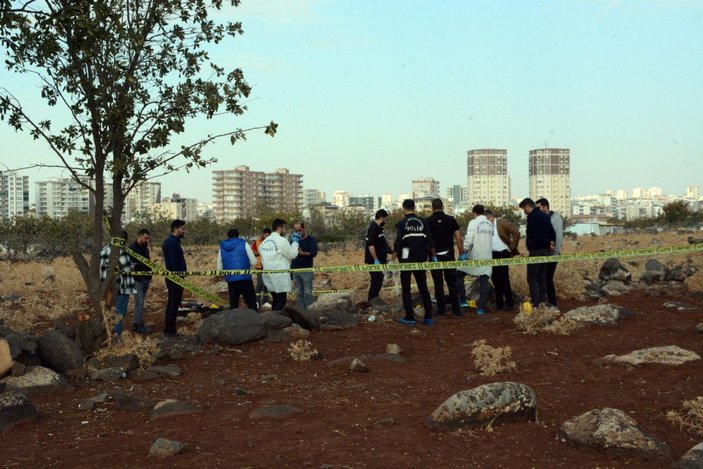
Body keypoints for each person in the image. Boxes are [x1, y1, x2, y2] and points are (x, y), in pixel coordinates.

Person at [393, 199, 435, 326]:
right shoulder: (423, 222)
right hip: (421, 258)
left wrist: (392, 258)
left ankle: (409, 317)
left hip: (406, 260)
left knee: (406, 288)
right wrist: (433, 256)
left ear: (404, 209)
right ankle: (428, 317)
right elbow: (430, 239)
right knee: (423, 287)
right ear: (414, 208)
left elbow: (398, 242)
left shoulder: (401, 223)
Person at [426, 199, 463, 317]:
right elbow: (458, 238)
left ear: (432, 208)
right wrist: (461, 253)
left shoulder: (427, 221)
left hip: (434, 257)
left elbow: (426, 240)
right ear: (442, 207)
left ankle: (441, 310)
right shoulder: (451, 219)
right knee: (452, 283)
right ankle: (456, 310)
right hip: (449, 256)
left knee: (438, 284)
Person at [519, 198, 556, 307]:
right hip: (546, 251)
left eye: (523, 209)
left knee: (532, 277)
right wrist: (551, 243)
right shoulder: (545, 215)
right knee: (542, 277)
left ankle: (535, 303)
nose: (524, 212)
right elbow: (551, 232)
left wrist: (531, 244)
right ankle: (542, 302)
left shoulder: (532, 217)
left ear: (527, 206)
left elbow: (535, 233)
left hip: (536, 251)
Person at [100, 231, 137, 337]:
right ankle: (116, 337)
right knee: (119, 313)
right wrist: (133, 265)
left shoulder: (104, 250)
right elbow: (128, 269)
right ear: (123, 240)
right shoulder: (121, 251)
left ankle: (108, 335)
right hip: (121, 287)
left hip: (106, 287)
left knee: (109, 311)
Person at [459, 204, 494, 315]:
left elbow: (469, 238)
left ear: (474, 213)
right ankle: (481, 308)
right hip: (487, 256)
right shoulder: (489, 224)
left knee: (458, 274)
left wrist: (464, 251)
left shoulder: (473, 223)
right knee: (484, 280)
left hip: (475, 255)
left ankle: (463, 300)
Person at [260, 218, 299, 311]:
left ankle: (273, 319)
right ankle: (274, 320)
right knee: (281, 300)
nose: (284, 230)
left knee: (276, 299)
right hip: (279, 274)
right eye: (284, 228)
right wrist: (295, 243)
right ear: (279, 228)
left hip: (268, 274)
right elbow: (292, 255)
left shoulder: (264, 242)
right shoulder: (282, 240)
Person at [484, 210, 520, 312]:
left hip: (502, 253)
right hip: (491, 255)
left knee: (504, 279)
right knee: (495, 279)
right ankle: (499, 302)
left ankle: (509, 302)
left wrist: (512, 247)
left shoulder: (502, 222)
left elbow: (516, 232)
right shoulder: (486, 227)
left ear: (490, 217)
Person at [218, 228, 258, 310]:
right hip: (245, 278)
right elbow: (253, 261)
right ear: (238, 235)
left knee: (233, 305)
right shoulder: (244, 244)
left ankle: (233, 322)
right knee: (251, 303)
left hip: (231, 280)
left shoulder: (222, 246)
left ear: (228, 236)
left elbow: (219, 267)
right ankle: (256, 320)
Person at [536, 198, 564, 308]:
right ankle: (545, 302)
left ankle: (552, 303)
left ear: (545, 207)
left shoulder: (555, 218)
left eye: (539, 207)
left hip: (552, 254)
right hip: (544, 254)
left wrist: (555, 252)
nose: (537, 210)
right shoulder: (543, 218)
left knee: (547, 278)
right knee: (542, 278)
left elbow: (558, 236)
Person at [162, 219, 187, 338]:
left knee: (173, 303)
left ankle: (169, 329)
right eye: (182, 229)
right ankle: (170, 331)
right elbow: (172, 262)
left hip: (175, 277)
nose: (184, 231)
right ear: (176, 229)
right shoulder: (172, 243)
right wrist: (178, 276)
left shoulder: (173, 242)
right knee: (173, 303)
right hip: (175, 278)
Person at [128, 229, 152, 334]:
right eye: (145, 238)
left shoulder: (146, 249)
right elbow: (129, 265)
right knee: (139, 303)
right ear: (140, 236)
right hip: (137, 280)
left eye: (148, 239)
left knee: (140, 302)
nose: (147, 240)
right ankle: (139, 326)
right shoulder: (131, 249)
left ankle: (136, 322)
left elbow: (148, 262)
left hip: (146, 278)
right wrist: (139, 265)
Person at [290, 221, 318, 309]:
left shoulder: (312, 240)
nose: (298, 232)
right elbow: (290, 255)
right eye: (296, 231)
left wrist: (302, 253)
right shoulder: (293, 241)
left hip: (306, 270)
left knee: (308, 293)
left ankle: (310, 312)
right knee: (299, 293)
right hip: (295, 270)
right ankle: (301, 311)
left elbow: (313, 253)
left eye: (299, 230)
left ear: (303, 228)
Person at [364, 209, 390, 301]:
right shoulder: (373, 228)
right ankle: (371, 301)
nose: (386, 222)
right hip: (374, 261)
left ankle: (374, 300)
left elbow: (382, 245)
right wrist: (375, 259)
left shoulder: (379, 229)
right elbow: (371, 245)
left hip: (381, 260)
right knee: (376, 282)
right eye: (386, 219)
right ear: (382, 218)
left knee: (378, 282)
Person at [251, 228, 272, 308]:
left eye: (268, 235)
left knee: (267, 283)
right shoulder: (256, 242)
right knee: (260, 283)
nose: (266, 236)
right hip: (259, 266)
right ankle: (256, 301)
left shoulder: (271, 242)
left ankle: (265, 301)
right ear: (262, 234)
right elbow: (253, 252)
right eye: (265, 235)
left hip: (268, 266)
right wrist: (262, 251)